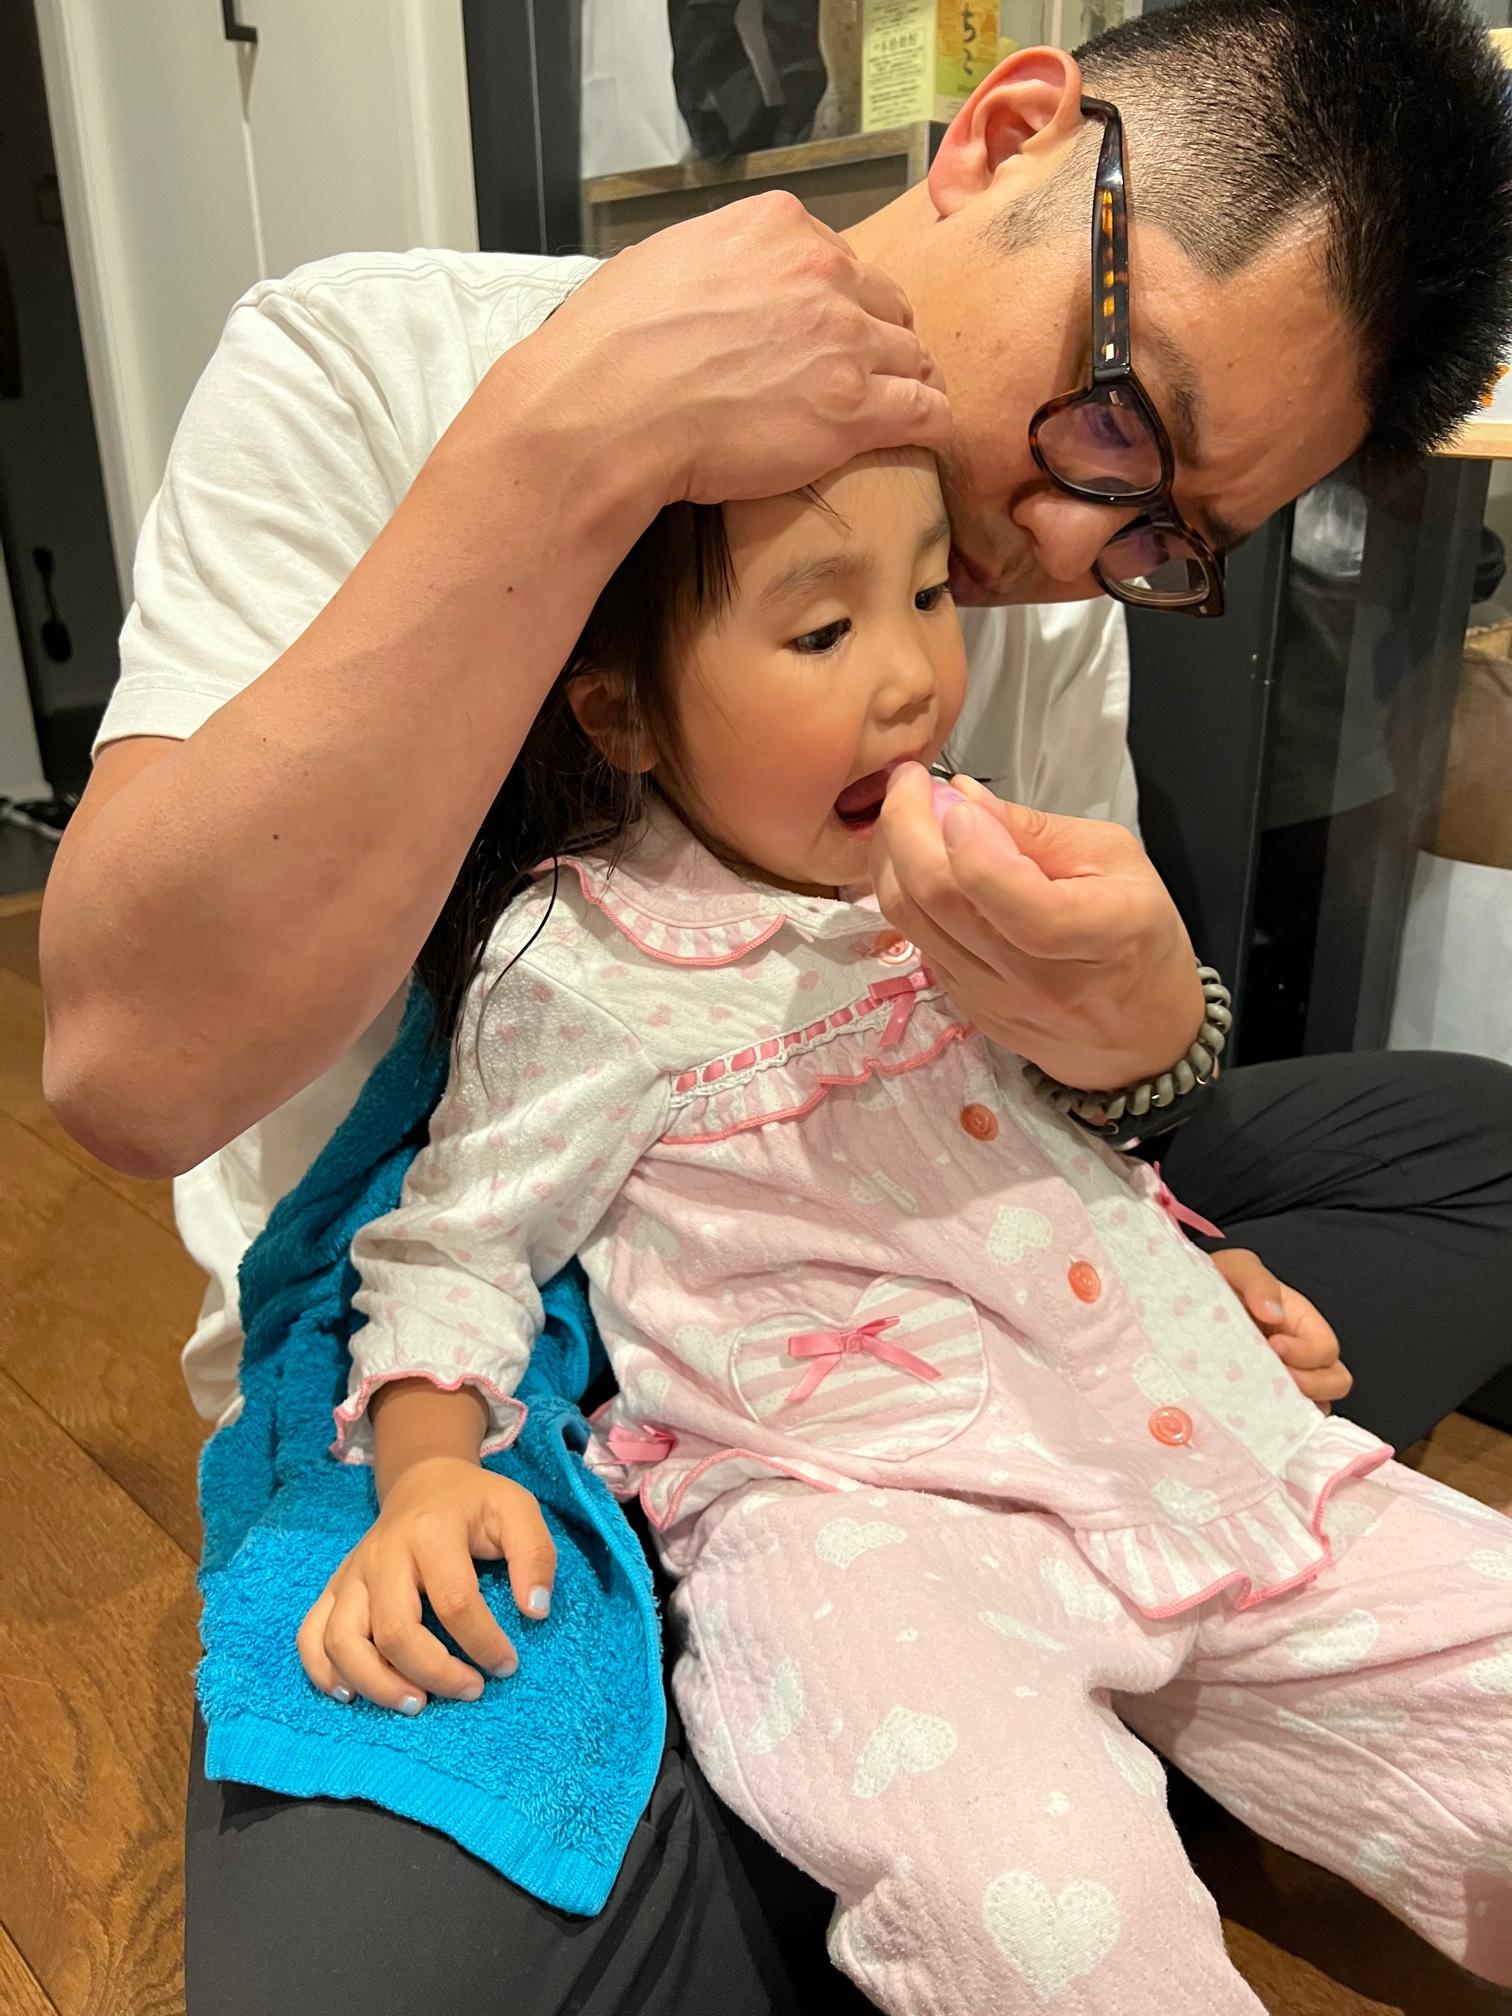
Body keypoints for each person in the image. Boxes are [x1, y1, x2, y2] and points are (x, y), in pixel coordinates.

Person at [36, 0, 1512, 2007]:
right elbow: (136, 1078)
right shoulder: (365, 366)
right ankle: (906, 1741)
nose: (1067, 548)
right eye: (1120, 414)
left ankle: (958, 1725)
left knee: (1469, 1144)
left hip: (974, 1296)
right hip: (563, 1369)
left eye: (1173, 534)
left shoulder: (1020, 582)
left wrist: (1144, 1040)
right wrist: (564, 448)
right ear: (1006, 135)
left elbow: (1055, 1089)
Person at [298, 445, 1512, 2014]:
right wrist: (426, 1473)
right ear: (623, 716)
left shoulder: (980, 850)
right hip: (856, 1514)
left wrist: (1193, 1264)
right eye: (822, 631)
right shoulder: (584, 965)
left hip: (1164, 1438)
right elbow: (455, 1249)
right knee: (1031, 1896)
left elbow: (1054, 1144)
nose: (914, 678)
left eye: (931, 595)